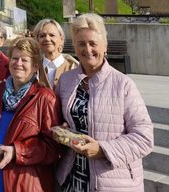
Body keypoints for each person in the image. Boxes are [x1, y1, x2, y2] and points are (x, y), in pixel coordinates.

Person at [55, 13, 153, 192]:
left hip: (113, 181)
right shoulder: (66, 80)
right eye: (81, 43)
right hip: (73, 177)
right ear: (75, 48)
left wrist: (102, 150)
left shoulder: (123, 84)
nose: (87, 49)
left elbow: (144, 137)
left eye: (93, 43)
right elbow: (61, 120)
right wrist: (63, 129)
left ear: (105, 45)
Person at [0, 37, 62, 192]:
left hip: (24, 184)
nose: (18, 63)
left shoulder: (45, 97)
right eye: (15, 58)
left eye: (24, 60)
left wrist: (16, 152)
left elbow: (54, 148)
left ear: (35, 66)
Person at [33, 18, 79, 89]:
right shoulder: (33, 69)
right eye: (42, 36)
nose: (47, 39)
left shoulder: (74, 68)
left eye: (52, 35)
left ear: (61, 39)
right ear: (37, 40)